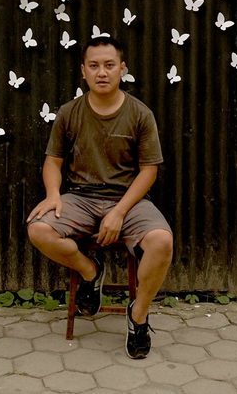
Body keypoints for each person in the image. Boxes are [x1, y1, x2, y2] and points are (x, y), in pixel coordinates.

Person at [26, 36, 173, 359]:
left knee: (162, 241)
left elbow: (149, 170)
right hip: (80, 196)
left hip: (128, 200)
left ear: (122, 69)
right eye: (94, 66)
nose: (101, 72)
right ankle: (91, 271)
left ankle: (139, 317)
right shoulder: (69, 113)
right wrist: (53, 194)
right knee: (38, 229)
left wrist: (120, 211)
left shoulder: (139, 114)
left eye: (109, 65)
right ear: (83, 71)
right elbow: (53, 161)